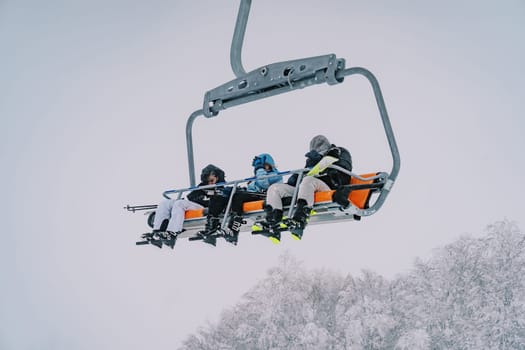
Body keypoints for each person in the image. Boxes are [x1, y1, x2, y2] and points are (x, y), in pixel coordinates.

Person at [262, 135, 352, 240]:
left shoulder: (339, 152)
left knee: (308, 180)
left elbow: (343, 168)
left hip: (330, 186)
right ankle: (273, 222)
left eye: (320, 146)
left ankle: (300, 219)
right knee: (275, 188)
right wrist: (295, 178)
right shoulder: (312, 159)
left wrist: (322, 164)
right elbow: (306, 173)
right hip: (308, 188)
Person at [200, 153, 283, 244]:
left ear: (270, 165)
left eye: (264, 166)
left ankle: (234, 230)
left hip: (264, 195)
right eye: (261, 166)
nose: (262, 168)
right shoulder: (257, 176)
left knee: (238, 196)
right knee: (221, 196)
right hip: (252, 194)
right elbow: (251, 188)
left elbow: (264, 183)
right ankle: (212, 228)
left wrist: (259, 169)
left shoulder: (275, 174)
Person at [149, 164, 226, 248]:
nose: (210, 183)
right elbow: (191, 197)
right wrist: (201, 195)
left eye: (212, 180)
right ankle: (157, 231)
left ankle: (173, 233)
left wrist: (206, 197)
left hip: (205, 208)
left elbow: (217, 201)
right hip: (195, 205)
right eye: (207, 181)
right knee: (165, 203)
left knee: (179, 204)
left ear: (218, 177)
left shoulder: (222, 189)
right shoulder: (203, 186)